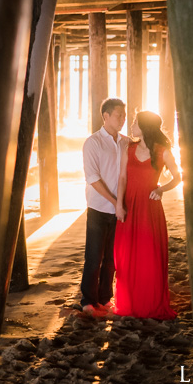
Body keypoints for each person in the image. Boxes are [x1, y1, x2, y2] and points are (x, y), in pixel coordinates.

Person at [113, 111, 182, 320]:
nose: (132, 125)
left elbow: (178, 177)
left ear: (144, 126)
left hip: (150, 209)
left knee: (149, 255)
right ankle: (131, 303)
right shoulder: (129, 148)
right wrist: (119, 204)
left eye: (135, 122)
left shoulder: (163, 152)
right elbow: (123, 178)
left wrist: (161, 189)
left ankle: (150, 303)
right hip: (130, 206)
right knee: (127, 254)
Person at [80, 98, 128, 317]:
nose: (122, 118)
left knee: (112, 259)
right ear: (106, 116)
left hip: (121, 209)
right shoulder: (93, 143)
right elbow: (93, 178)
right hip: (99, 207)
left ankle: (105, 298)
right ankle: (88, 301)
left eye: (124, 115)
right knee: (94, 256)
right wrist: (115, 201)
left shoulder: (127, 142)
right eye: (118, 115)